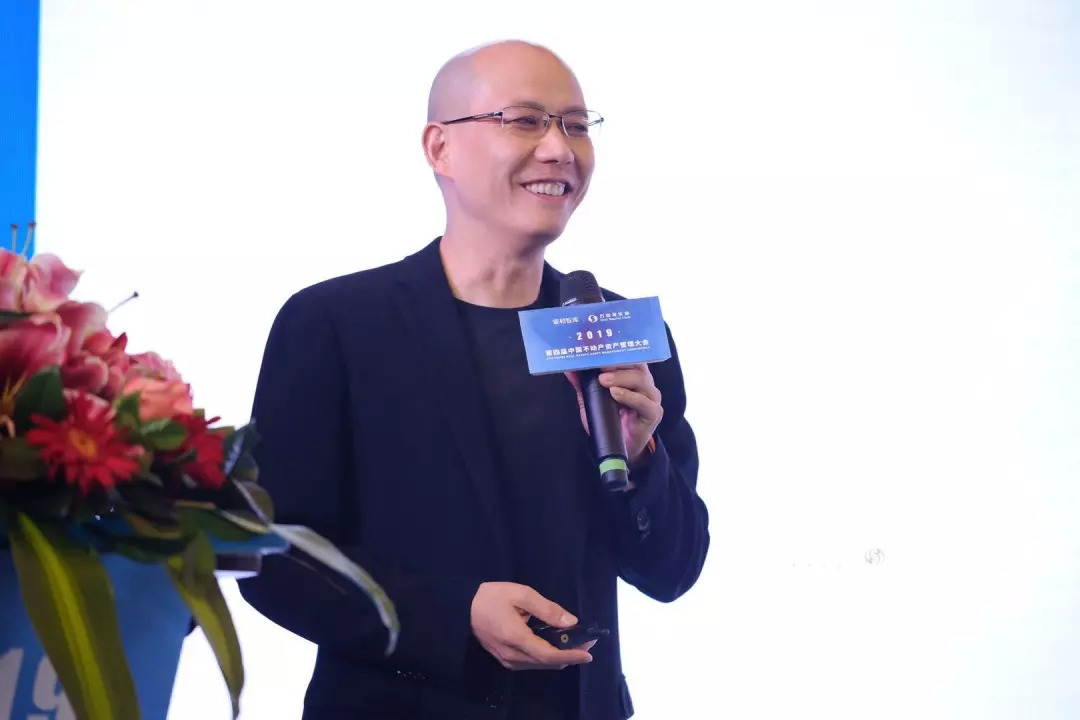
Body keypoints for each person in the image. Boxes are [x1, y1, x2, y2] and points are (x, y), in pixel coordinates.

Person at [238, 40, 710, 719]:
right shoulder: (335, 324)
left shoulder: (621, 333)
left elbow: (674, 569)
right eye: (526, 120)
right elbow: (272, 554)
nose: (560, 149)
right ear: (440, 148)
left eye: (577, 125)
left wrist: (641, 459)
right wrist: (455, 614)